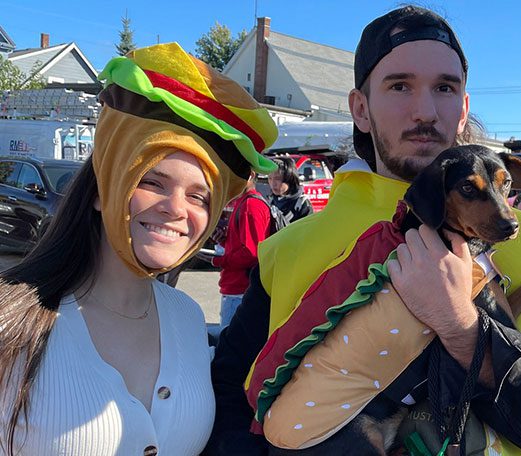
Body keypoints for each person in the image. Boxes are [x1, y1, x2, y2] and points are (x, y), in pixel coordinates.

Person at [207, 6, 521, 455]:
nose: (425, 110)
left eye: (445, 88)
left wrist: (462, 329)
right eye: (400, 85)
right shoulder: (289, 249)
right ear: (361, 109)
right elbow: (230, 399)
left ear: (463, 108)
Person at [0, 43, 277, 455]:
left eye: (200, 197)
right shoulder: (13, 320)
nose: (177, 209)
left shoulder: (186, 316)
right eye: (153, 182)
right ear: (102, 188)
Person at [210, 173, 272, 329]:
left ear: (250, 175)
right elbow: (243, 246)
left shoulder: (251, 205)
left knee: (230, 347)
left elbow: (251, 254)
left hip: (240, 290)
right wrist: (223, 240)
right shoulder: (244, 202)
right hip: (237, 289)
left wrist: (218, 260)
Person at [267, 156, 312, 222]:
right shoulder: (270, 201)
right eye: (270, 178)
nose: (273, 183)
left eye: (277, 179)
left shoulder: (302, 204)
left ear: (290, 179)